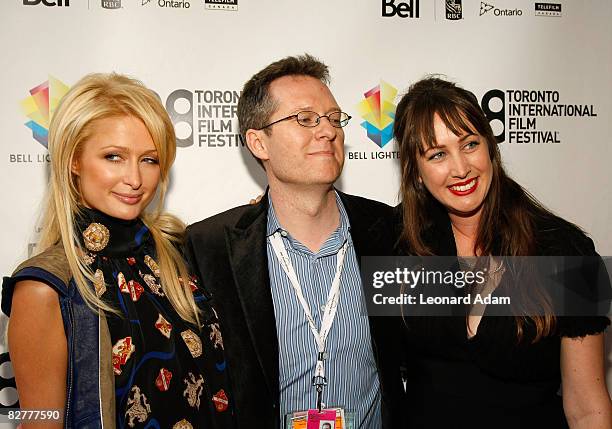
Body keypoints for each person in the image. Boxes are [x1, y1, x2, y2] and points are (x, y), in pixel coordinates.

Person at [185, 54, 405, 428]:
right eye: (305, 119)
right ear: (258, 142)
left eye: (335, 119)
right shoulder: (209, 248)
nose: (328, 131)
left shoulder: (388, 229)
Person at [2, 73, 233, 428]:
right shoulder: (45, 287)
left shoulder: (177, 255)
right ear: (74, 161)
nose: (135, 179)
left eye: (149, 160)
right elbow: (41, 421)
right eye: (113, 157)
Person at [392, 76, 611, 428]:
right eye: (437, 155)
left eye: (469, 144)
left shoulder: (565, 251)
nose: (461, 168)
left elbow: (586, 407)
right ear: (416, 173)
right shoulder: (397, 242)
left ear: (490, 147)